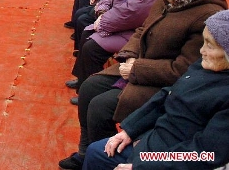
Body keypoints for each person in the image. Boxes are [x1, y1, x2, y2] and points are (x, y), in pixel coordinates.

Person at [58, 0, 229, 170]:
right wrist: (129, 54)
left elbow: (180, 72)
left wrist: (137, 68)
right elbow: (142, 30)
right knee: (90, 87)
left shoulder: (208, 18)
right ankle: (88, 150)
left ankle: (106, 154)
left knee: (101, 107)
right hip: (142, 70)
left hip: (156, 78)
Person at [83, 10, 229, 170]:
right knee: (96, 152)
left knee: (99, 151)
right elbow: (169, 93)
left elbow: (205, 154)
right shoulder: (206, 66)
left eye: (210, 45)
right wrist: (130, 130)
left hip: (167, 155)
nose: (201, 51)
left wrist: (142, 166)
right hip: (156, 138)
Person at [68, 0, 168, 101]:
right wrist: (102, 9)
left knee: (91, 46)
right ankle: (82, 82)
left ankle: (90, 91)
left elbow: (131, 13)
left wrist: (104, 21)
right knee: (86, 32)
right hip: (117, 21)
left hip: (134, 31)